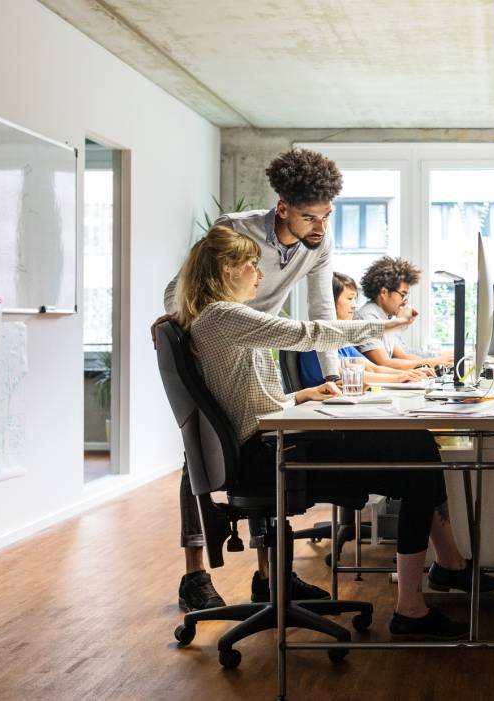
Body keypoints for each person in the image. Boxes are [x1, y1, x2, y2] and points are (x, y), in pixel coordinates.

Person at [177, 226, 494, 639]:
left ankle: (437, 578)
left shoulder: (214, 319)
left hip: (264, 448)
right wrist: (384, 327)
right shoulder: (224, 315)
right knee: (418, 456)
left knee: (416, 449)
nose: (259, 275)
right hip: (268, 457)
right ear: (226, 268)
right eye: (251, 265)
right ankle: (413, 607)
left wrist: (301, 396)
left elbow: (247, 402)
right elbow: (308, 334)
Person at [160, 149, 352, 612]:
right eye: (310, 217)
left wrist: (332, 373)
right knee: (204, 447)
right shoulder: (235, 228)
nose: (319, 228)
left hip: (261, 338)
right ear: (282, 208)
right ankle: (194, 576)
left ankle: (272, 580)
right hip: (206, 334)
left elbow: (321, 312)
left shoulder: (317, 243)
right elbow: (183, 288)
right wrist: (200, 345)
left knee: (265, 447)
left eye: (326, 216)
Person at [296, 273, 427, 387]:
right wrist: (398, 378)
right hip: (319, 408)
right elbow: (346, 375)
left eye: (355, 299)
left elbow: (373, 369)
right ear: (329, 301)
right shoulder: (316, 337)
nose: (354, 306)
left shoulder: (342, 339)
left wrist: (409, 374)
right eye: (349, 298)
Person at [354, 256, 452, 372]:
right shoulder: (367, 317)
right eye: (403, 294)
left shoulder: (385, 317)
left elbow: (402, 356)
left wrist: (438, 361)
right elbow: (384, 363)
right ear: (384, 292)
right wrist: (433, 362)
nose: (405, 301)